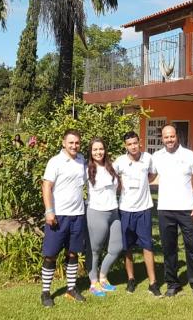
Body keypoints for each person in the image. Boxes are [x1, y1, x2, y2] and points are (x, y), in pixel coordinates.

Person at [152, 125, 193, 302]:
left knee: (192, 247)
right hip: (165, 209)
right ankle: (172, 284)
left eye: (172, 136)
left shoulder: (189, 155)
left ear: (177, 136)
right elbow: (148, 177)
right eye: (166, 137)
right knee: (169, 249)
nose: (169, 140)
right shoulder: (156, 157)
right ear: (162, 138)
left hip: (187, 209)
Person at [40, 129, 87, 307]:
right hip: (58, 215)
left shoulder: (81, 160)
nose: (74, 146)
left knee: (73, 253)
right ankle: (45, 293)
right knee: (51, 254)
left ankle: (71, 289)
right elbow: (46, 187)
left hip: (78, 215)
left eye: (77, 143)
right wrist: (49, 211)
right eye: (71, 143)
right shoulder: (55, 162)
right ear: (63, 143)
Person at [114, 131, 162, 297]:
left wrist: (144, 184)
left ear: (139, 142)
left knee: (147, 246)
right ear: (125, 146)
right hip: (126, 210)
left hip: (144, 209)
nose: (133, 146)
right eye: (129, 144)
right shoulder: (120, 161)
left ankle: (153, 283)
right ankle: (131, 279)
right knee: (127, 247)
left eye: (135, 143)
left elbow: (153, 174)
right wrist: (120, 187)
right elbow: (112, 176)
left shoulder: (148, 158)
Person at [85, 138, 123, 297]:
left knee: (117, 247)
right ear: (90, 152)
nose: (98, 152)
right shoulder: (86, 169)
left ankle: (103, 276)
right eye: (95, 150)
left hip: (114, 212)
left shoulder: (111, 167)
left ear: (105, 150)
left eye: (101, 149)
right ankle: (93, 282)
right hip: (96, 212)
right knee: (95, 250)